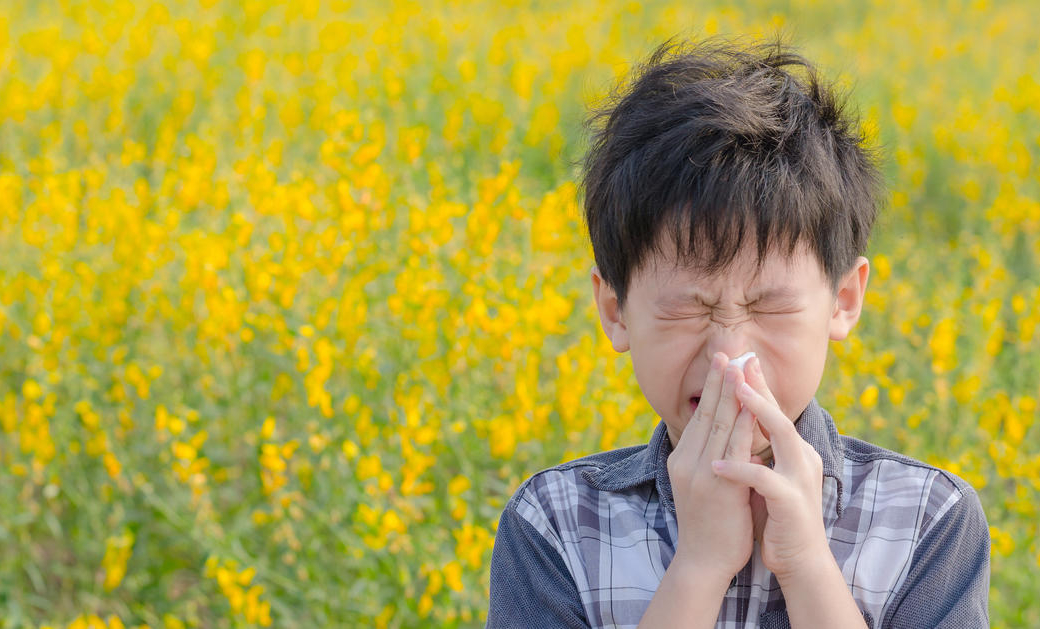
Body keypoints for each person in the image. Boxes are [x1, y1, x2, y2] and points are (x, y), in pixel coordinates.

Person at [485, 35, 990, 628]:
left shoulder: (928, 521)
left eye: (769, 307)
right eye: (687, 308)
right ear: (615, 311)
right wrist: (699, 566)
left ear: (843, 300)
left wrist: (805, 565)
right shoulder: (555, 525)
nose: (730, 356)